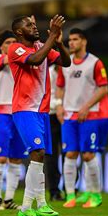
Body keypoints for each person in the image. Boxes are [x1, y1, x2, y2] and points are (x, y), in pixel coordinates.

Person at [8, 14, 71, 216]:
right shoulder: (15, 49)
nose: (35, 28)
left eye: (35, 25)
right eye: (29, 25)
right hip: (24, 109)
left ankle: (27, 208)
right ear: (19, 31)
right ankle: (40, 203)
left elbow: (66, 62)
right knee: (38, 151)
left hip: (41, 111)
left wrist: (59, 43)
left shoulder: (42, 46)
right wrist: (52, 35)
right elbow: (35, 60)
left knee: (40, 157)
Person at [55, 28, 108, 209]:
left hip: (90, 115)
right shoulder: (66, 63)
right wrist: (58, 105)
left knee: (88, 155)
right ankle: (70, 195)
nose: (71, 43)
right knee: (70, 154)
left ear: (84, 42)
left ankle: (95, 194)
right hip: (69, 115)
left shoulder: (95, 63)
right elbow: (60, 87)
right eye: (69, 40)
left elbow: (103, 89)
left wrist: (86, 107)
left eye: (75, 39)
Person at [0, 30, 26, 210]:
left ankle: (9, 199)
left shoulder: (20, 62)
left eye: (14, 42)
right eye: (8, 42)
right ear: (1, 46)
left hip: (19, 113)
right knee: (1, 157)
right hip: (1, 114)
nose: (11, 45)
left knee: (17, 159)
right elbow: (9, 58)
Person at [46, 63, 64, 202]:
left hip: (68, 115)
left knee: (69, 154)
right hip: (51, 115)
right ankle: (53, 191)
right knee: (51, 155)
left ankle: (71, 189)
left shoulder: (71, 71)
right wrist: (57, 106)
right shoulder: (48, 72)